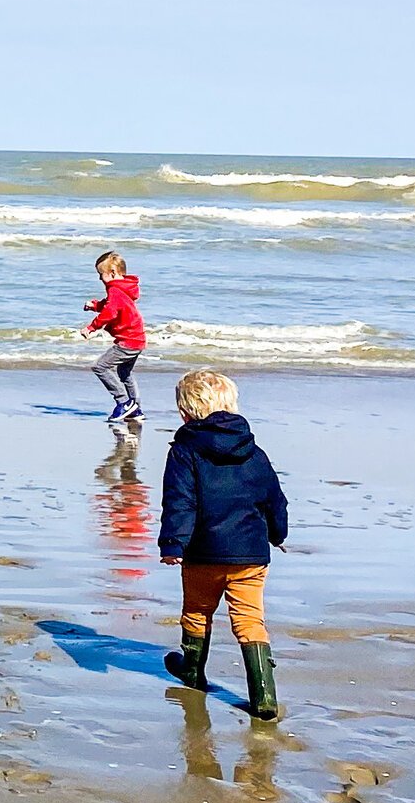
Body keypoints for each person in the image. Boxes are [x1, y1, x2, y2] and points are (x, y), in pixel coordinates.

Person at [158, 368, 290, 721]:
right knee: (250, 620)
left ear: (185, 413)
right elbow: (274, 499)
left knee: (198, 611)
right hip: (250, 554)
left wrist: (173, 543)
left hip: (203, 554)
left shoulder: (184, 452)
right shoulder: (254, 452)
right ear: (231, 405)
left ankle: (192, 670)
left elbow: (179, 501)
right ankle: (263, 695)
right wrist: (278, 534)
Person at [83, 250, 146, 423]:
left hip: (128, 341)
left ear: (112, 274)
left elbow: (110, 313)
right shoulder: (122, 289)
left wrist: (91, 327)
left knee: (100, 367)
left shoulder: (116, 291)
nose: (99, 279)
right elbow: (112, 306)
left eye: (100, 275)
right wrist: (95, 305)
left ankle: (124, 402)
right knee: (124, 372)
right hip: (137, 338)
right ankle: (135, 408)